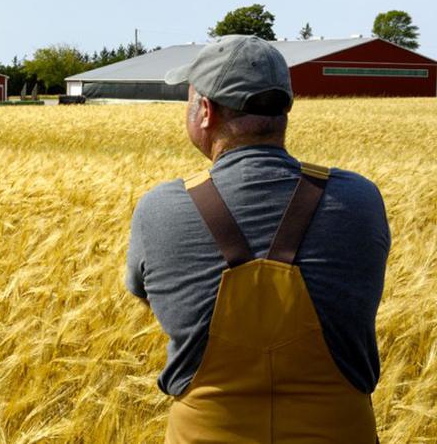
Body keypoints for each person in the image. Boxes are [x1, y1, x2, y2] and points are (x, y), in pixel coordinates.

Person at [124, 35, 390, 443]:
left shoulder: (159, 210)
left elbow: (148, 297)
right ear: (285, 108)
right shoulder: (361, 199)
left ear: (206, 111)